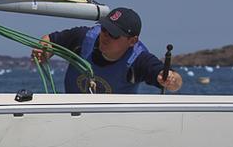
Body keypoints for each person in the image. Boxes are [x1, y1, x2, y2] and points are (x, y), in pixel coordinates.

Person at [32, 7, 182, 93]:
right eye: (104, 29)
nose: (105, 36)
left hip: (114, 124)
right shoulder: (84, 38)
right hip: (73, 116)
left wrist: (171, 80)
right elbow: (50, 40)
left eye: (114, 35)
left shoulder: (139, 60)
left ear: (132, 41)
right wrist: (44, 51)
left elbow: (174, 81)